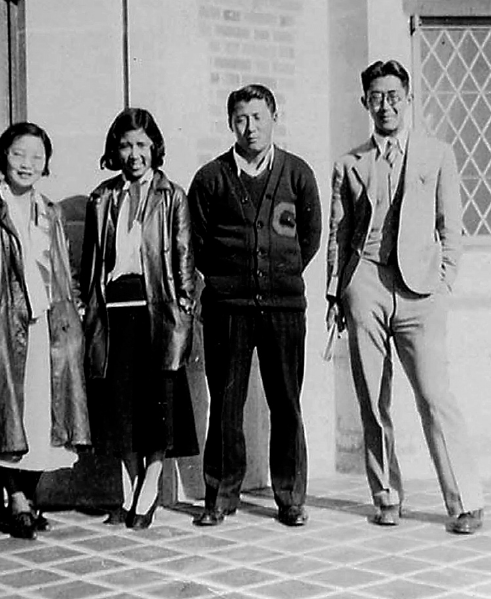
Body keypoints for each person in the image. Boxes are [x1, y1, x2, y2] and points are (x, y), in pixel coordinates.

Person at [326, 59, 484, 534]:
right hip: (367, 286)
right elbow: (338, 233)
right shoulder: (349, 164)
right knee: (373, 398)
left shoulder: (437, 154)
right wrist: (338, 293)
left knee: (435, 395)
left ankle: (465, 500)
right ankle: (386, 495)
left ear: (408, 99)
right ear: (365, 103)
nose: (385, 105)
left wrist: (445, 282)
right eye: (376, 97)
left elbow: (450, 228)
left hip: (421, 293)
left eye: (394, 95)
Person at [0, 122, 90, 540]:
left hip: (51, 329)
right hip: (8, 329)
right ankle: (16, 500)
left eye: (36, 157)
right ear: (2, 158)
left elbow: (65, 269)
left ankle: (28, 497)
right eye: (18, 154)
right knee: (11, 418)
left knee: (45, 417)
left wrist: (75, 310)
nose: (27, 164)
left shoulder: (52, 211)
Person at [188, 84, 322, 527]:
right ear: (231, 123)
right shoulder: (210, 178)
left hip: (285, 307)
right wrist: (231, 284)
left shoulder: (298, 173)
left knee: (287, 400)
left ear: (274, 118)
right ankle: (220, 496)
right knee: (227, 403)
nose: (250, 128)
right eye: (241, 119)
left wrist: (281, 277)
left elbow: (310, 238)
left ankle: (290, 497)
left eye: (258, 118)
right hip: (228, 309)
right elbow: (199, 246)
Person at [81, 107, 199, 530]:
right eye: (126, 145)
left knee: (158, 405)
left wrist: (184, 311)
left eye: (142, 145)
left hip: (158, 311)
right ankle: (129, 488)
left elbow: (183, 258)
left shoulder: (171, 196)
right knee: (123, 407)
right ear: (116, 148)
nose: (134, 154)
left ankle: (151, 482)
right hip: (115, 313)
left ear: (155, 149)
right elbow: (91, 264)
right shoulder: (102, 197)